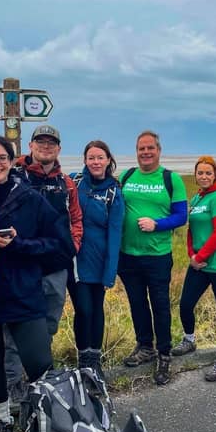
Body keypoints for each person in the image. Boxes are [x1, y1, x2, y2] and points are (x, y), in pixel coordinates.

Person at [0, 135, 72, 432]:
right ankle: (5, 422)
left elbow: (62, 246)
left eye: (2, 158)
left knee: (40, 365)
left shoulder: (29, 197)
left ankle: (49, 427)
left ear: (12, 161)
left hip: (23, 292)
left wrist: (20, 244)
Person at [6, 124, 82, 403]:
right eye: (41, 141)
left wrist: (70, 248)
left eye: (51, 142)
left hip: (54, 268)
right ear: (31, 145)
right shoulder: (15, 176)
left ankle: (39, 380)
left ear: (59, 148)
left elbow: (76, 219)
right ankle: (13, 387)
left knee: (47, 326)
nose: (46, 146)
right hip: (21, 268)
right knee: (14, 327)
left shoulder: (67, 183)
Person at [118, 130, 187, 386]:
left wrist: (157, 224)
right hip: (128, 256)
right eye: (141, 149)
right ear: (136, 151)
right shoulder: (127, 176)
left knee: (159, 305)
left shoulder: (171, 179)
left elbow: (181, 216)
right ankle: (144, 346)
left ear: (159, 150)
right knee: (137, 304)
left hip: (157, 255)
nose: (145, 152)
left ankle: (164, 353)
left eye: (150, 148)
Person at [170, 156, 216, 381]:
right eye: (200, 173)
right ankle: (189, 340)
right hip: (199, 262)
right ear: (196, 175)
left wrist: (200, 255)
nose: (204, 176)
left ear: (215, 175)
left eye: (209, 173)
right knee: (186, 303)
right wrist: (192, 255)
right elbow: (191, 230)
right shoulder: (197, 197)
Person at [69, 140, 125, 379]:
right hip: (76, 258)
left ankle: (95, 360)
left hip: (101, 259)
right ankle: (84, 360)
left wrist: (110, 271)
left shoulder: (114, 191)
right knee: (83, 309)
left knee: (96, 309)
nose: (95, 162)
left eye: (100, 157)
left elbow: (115, 232)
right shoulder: (74, 182)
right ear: (85, 160)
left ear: (108, 160)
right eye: (91, 157)